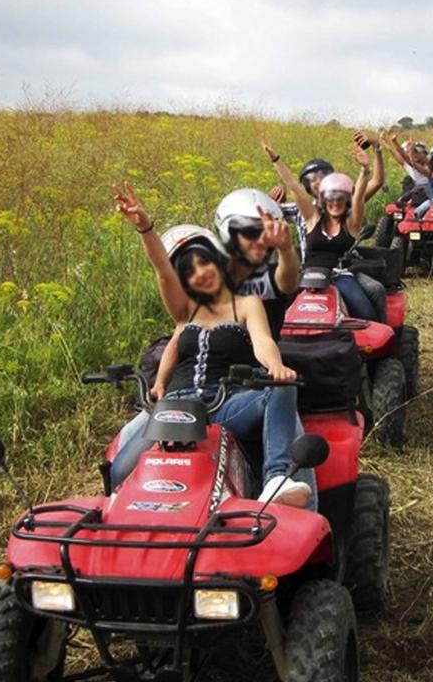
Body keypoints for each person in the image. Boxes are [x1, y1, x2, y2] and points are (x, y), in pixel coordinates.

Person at [108, 182, 315, 509]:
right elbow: (163, 278)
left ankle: (277, 479)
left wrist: (275, 368)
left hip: (225, 402)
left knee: (283, 395)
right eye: (187, 270)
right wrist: (145, 228)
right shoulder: (184, 310)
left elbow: (263, 341)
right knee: (118, 469)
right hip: (175, 408)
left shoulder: (247, 300)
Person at [261, 135, 381, 322]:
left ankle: (383, 348)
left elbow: (358, 196)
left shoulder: (351, 222)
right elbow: (293, 186)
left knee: (367, 315)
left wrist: (365, 168)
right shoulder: (312, 217)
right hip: (306, 276)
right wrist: (276, 159)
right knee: (274, 312)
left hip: (339, 276)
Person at [213, 188, 300, 339]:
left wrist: (286, 249)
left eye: (266, 234)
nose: (260, 241)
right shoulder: (208, 272)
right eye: (250, 232)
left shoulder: (266, 278)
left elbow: (287, 281)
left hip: (251, 360)